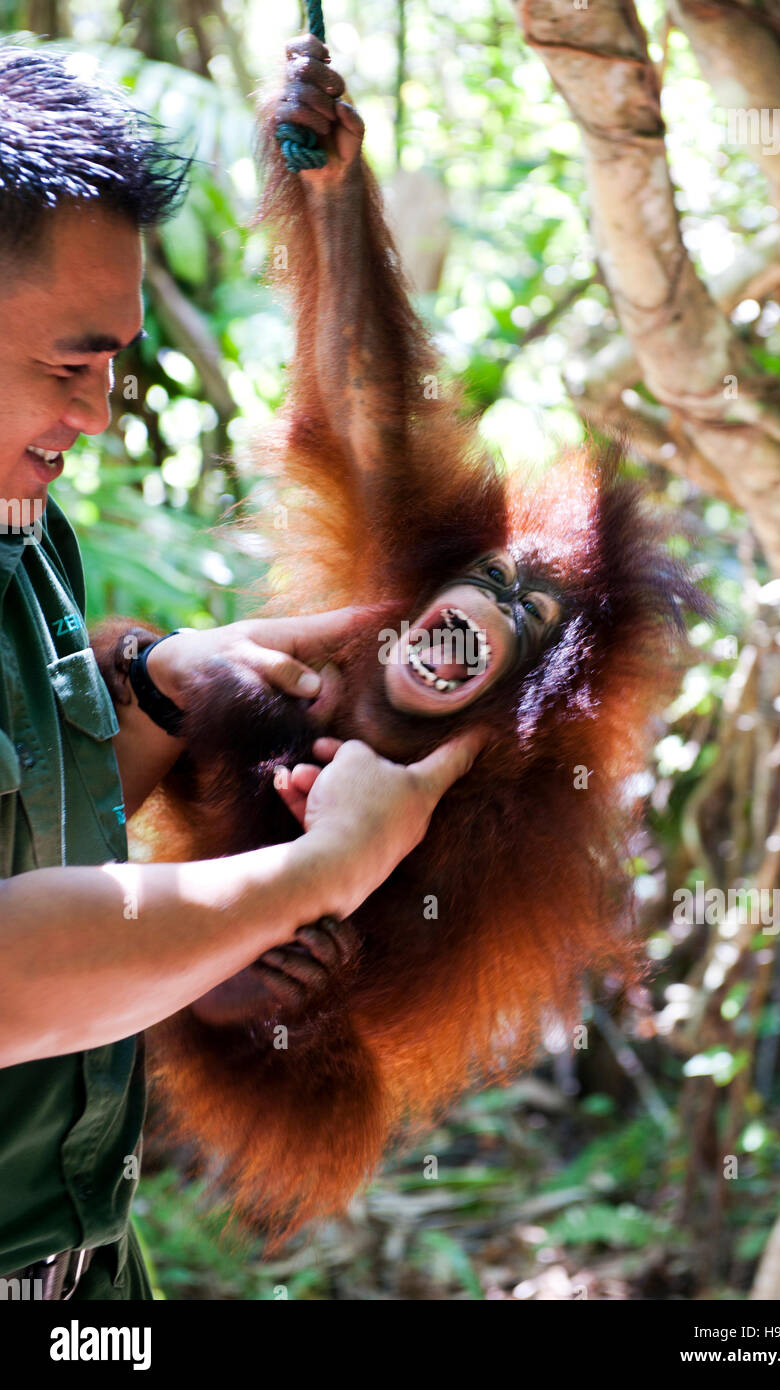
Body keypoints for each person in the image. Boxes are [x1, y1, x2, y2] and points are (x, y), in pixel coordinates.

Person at [0, 45, 482, 1300]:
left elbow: (43, 829)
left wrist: (173, 687)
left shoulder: (23, 531)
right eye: (69, 363)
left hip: (82, 1270)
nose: (101, 412)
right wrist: (321, 870)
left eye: (117, 360)